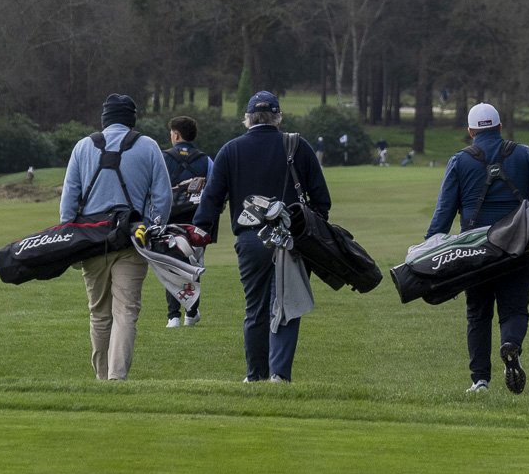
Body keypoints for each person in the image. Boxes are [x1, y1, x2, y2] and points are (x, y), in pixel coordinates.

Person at [427, 102, 529, 396]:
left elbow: (443, 215)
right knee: (515, 308)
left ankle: (480, 381)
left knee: (477, 314)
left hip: (476, 251)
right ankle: (511, 346)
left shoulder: (459, 161)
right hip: (518, 246)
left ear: (470, 132)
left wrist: (427, 254)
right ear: (500, 127)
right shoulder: (523, 154)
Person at [193, 91, 331, 383]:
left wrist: (200, 230)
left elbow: (211, 200)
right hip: (292, 240)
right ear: (278, 117)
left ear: (248, 119)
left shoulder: (230, 150)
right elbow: (321, 200)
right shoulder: (297, 145)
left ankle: (255, 375)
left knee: (255, 309)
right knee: (286, 306)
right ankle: (279, 374)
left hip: (250, 240)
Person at [60, 94, 171, 382]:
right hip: (133, 241)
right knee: (126, 312)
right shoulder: (148, 147)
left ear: (104, 118)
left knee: (99, 313)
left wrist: (68, 241)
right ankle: (116, 377)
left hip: (91, 240)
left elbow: (69, 200)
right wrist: (153, 229)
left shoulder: (83, 147)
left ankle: (101, 377)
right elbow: (163, 197)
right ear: (132, 118)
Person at [162, 116, 214, 328]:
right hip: (197, 222)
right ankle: (191, 313)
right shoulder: (207, 160)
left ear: (176, 134)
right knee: (193, 266)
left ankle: (173, 316)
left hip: (169, 220)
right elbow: (214, 192)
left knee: (171, 266)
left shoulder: (163, 157)